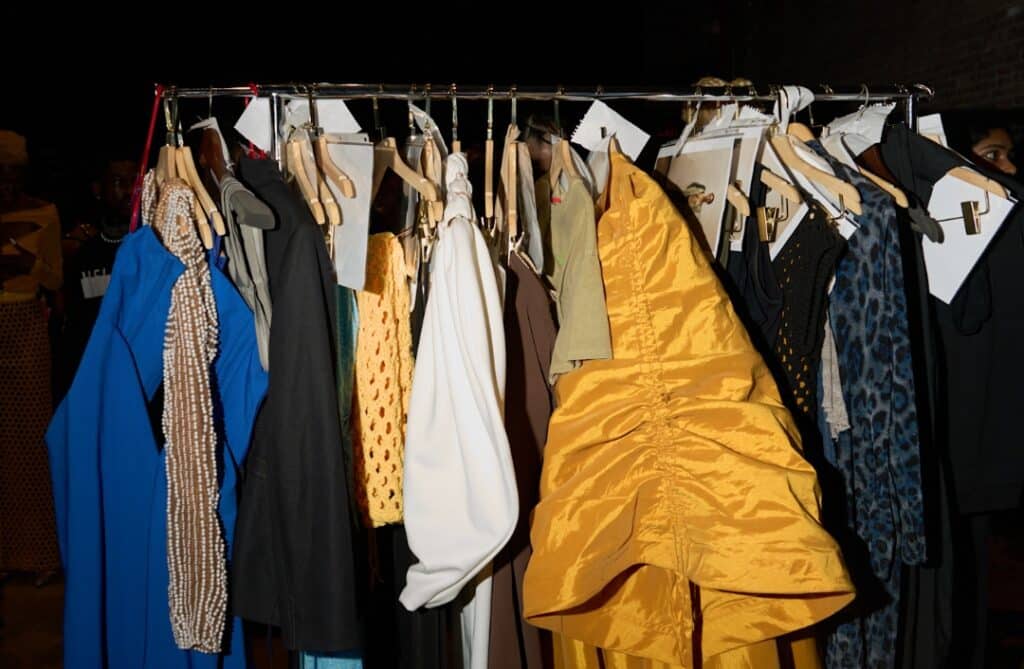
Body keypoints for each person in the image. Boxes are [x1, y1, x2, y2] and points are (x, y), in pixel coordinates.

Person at [0, 129, 62, 583]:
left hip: (25, 331)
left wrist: (25, 262)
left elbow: (56, 279)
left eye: (12, 172)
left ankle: (41, 554)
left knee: (31, 444)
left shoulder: (44, 212)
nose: (5, 182)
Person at [56, 157, 135, 396]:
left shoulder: (153, 246)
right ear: (98, 189)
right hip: (90, 376)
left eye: (135, 181)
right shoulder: (79, 250)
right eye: (120, 182)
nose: (131, 191)